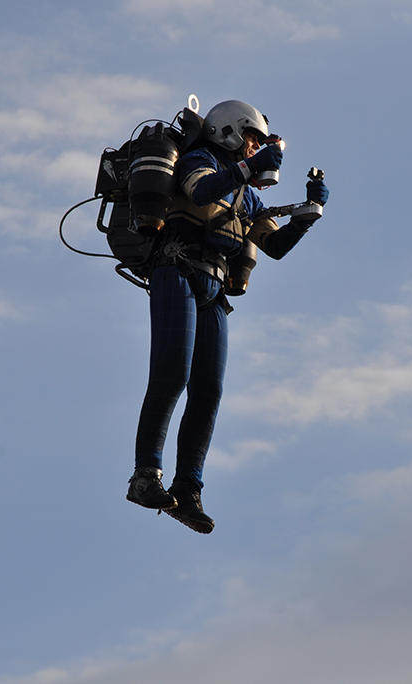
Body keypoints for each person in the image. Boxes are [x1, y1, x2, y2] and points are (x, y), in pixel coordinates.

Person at [126, 99, 329, 533]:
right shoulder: (199, 160)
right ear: (229, 130)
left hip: (215, 287)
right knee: (171, 373)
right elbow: (200, 190)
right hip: (176, 267)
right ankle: (146, 475)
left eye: (260, 144)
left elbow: (274, 247)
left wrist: (310, 214)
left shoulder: (249, 195)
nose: (256, 149)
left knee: (209, 391)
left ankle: (188, 489)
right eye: (253, 139)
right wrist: (243, 171)